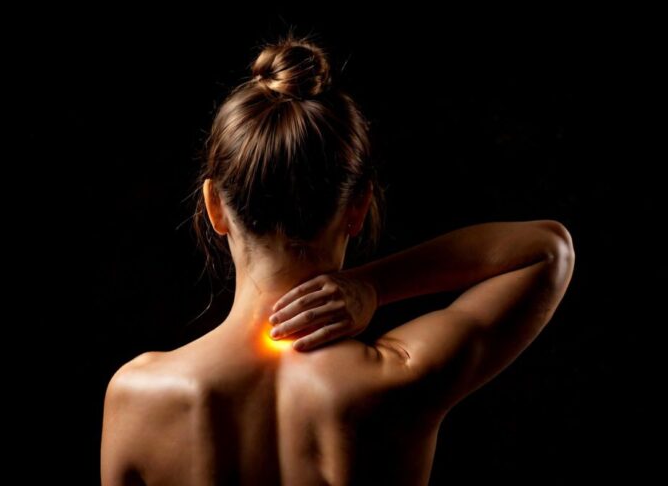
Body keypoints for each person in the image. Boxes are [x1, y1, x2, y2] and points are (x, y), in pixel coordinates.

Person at [101, 32, 575, 486]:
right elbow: (548, 249)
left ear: (214, 207)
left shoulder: (138, 394)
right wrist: (374, 285)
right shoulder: (400, 376)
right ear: (358, 207)